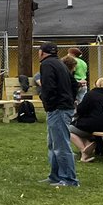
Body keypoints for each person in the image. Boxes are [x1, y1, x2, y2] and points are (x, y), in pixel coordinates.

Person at [38, 41, 79, 187]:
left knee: (61, 145)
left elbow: (48, 86)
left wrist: (47, 101)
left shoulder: (47, 65)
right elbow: (75, 84)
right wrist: (70, 98)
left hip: (58, 109)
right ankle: (55, 176)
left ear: (42, 52)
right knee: (53, 143)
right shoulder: (60, 63)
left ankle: (69, 179)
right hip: (63, 106)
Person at [70, 77, 103, 163]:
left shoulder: (91, 94)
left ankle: (84, 150)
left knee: (66, 129)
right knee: (84, 129)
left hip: (93, 125)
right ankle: (88, 145)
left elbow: (81, 110)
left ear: (94, 85)